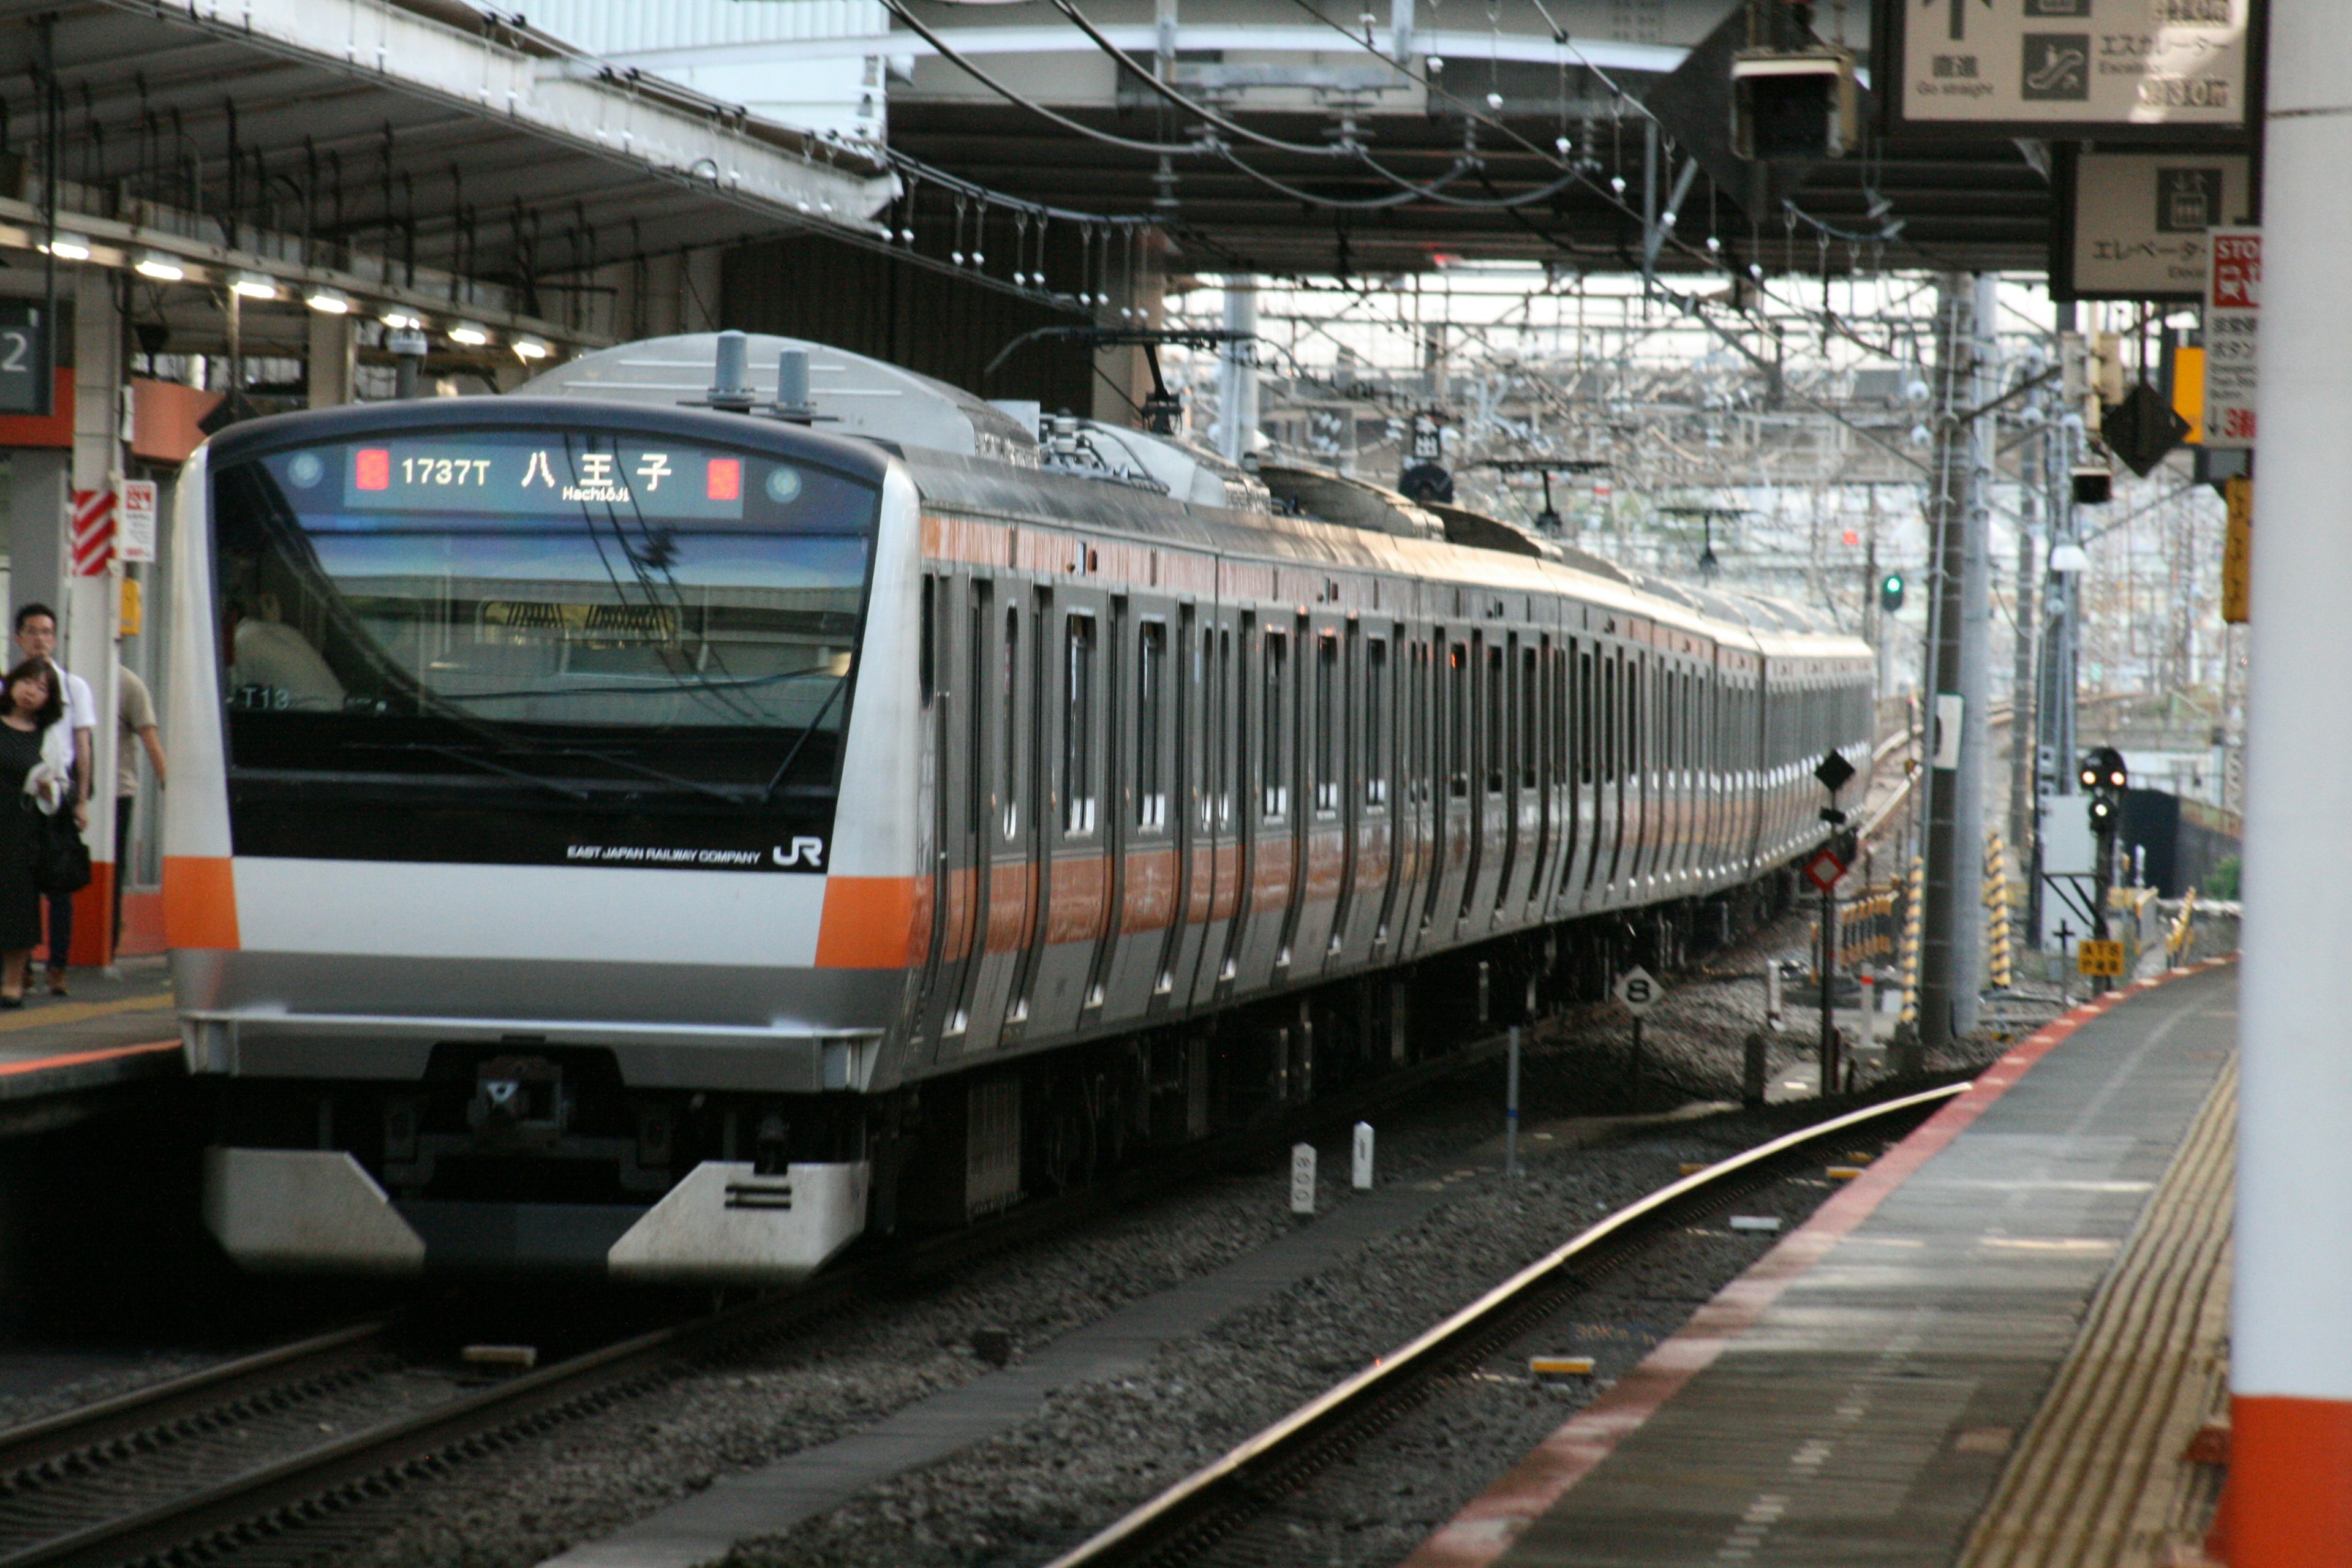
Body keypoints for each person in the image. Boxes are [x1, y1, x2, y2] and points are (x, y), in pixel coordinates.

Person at [12, 606, 88, 995]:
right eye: (32, 631)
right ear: (18, 638)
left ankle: (57, 967)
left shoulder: (74, 687)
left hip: (59, 794)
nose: (40, 638)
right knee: (18, 884)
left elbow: (83, 743)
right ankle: (19, 970)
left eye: (47, 632)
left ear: (55, 639)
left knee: (58, 882)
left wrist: (81, 799)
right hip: (16, 799)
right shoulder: (8, 686)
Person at [0, 661, 69, 1006]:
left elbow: (60, 786)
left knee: (18, 903)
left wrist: (48, 791)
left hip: (21, 828)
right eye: (27, 682)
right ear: (12, 684)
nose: (31, 691)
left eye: (41, 688)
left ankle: (13, 982)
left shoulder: (49, 737)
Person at [115, 666, 164, 947]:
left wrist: (168, 782)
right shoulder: (63, 679)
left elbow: (150, 739)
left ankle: (107, 939)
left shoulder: (130, 684)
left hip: (117, 792)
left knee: (114, 867)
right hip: (68, 792)